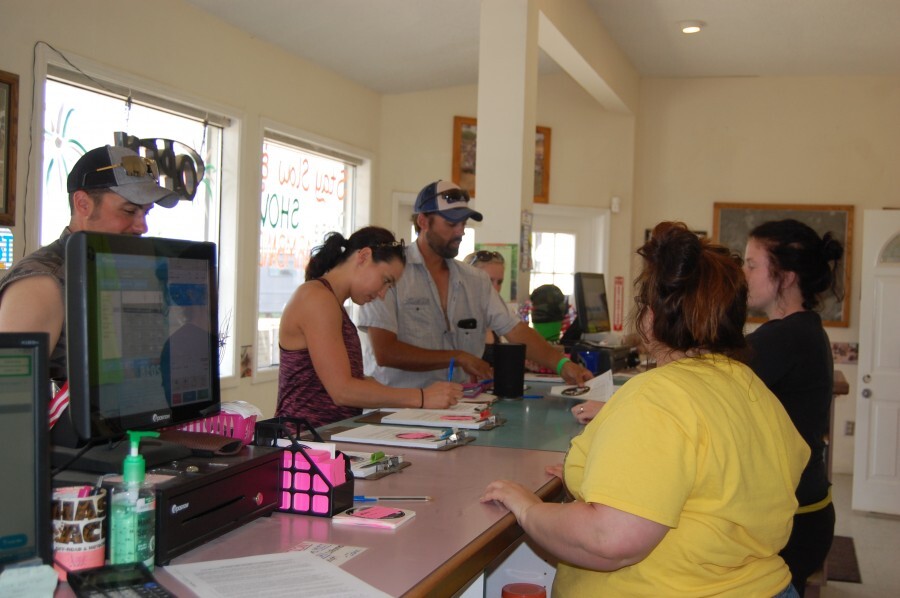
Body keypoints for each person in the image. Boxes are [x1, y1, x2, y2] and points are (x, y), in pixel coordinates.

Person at [480, 222, 810, 597]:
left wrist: (527, 507)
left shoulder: (658, 395)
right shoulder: (753, 389)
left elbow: (609, 539)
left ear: (651, 318)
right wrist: (598, 477)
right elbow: (717, 489)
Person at [359, 180, 592, 387]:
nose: (460, 231)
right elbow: (385, 352)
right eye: (451, 224)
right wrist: (457, 357)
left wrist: (562, 365)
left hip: (456, 409)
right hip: (395, 412)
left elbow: (515, 330)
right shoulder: (389, 272)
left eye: (463, 223)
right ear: (423, 221)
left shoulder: (475, 280)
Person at [0, 145, 180, 392]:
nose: (142, 227)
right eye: (129, 210)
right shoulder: (42, 283)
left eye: (146, 212)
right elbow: (11, 402)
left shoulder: (127, 270)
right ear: (83, 203)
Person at [743, 219, 843, 595]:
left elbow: (702, 389)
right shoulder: (805, 330)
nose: (744, 273)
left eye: (752, 265)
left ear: (784, 277)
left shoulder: (783, 338)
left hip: (793, 519)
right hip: (809, 509)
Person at [276, 226, 462, 428]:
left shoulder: (332, 302)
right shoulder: (316, 298)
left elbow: (322, 381)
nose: (382, 294)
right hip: (303, 444)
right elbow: (342, 391)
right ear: (363, 256)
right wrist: (423, 397)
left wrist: (368, 384)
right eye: (385, 281)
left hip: (327, 437)